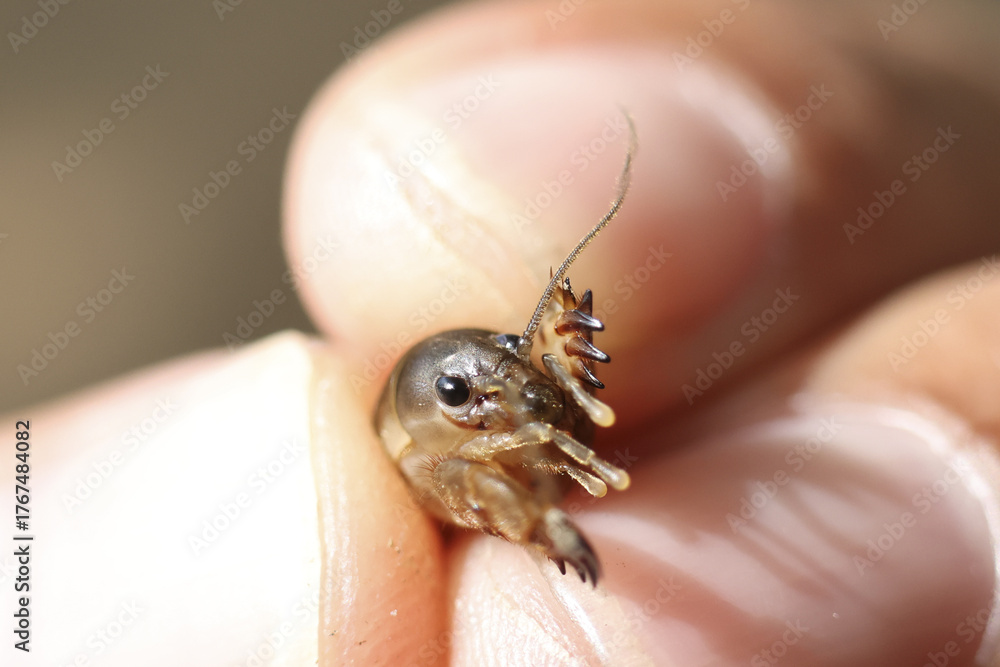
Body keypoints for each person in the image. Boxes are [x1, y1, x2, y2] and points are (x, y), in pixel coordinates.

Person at [14, 1, 999, 664]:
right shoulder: (426, 460)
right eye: (465, 399)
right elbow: (486, 487)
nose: (502, 401)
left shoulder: (523, 395)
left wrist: (571, 334)